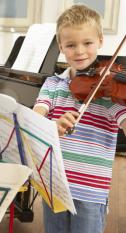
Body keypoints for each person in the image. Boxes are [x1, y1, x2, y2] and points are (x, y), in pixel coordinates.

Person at [33, 4, 126, 233]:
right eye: (71, 45)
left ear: (101, 41)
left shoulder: (110, 93)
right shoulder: (53, 84)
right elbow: (34, 120)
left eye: (88, 43)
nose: (80, 51)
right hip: (55, 185)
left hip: (90, 192)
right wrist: (50, 126)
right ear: (60, 46)